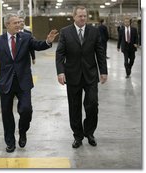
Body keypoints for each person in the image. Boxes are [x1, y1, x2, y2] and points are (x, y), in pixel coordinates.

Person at [0, 13, 58, 153]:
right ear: (7, 25)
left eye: (19, 22)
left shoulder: (26, 37)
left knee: (26, 110)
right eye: (15, 22)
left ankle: (23, 132)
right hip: (6, 82)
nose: (19, 24)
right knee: (6, 114)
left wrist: (47, 41)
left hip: (23, 81)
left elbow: (37, 45)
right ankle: (10, 142)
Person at [55, 6, 108, 149]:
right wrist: (60, 72)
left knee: (92, 104)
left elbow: (100, 52)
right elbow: (60, 54)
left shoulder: (94, 31)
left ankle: (89, 132)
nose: (83, 18)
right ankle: (78, 136)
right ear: (74, 17)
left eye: (85, 16)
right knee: (74, 107)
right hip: (72, 75)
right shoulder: (65, 32)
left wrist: (103, 71)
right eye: (80, 16)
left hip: (90, 75)